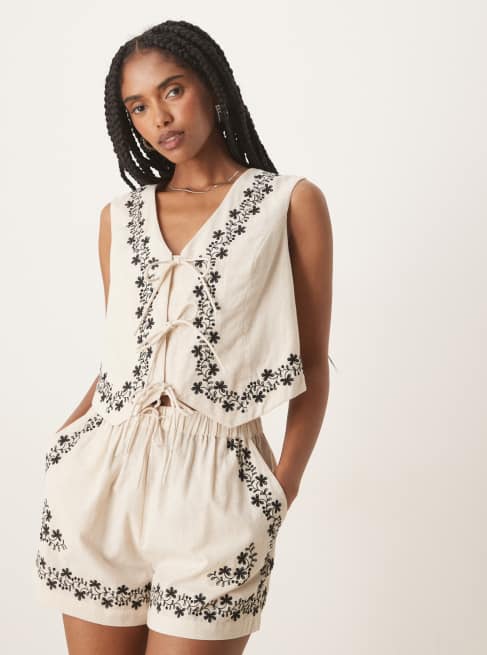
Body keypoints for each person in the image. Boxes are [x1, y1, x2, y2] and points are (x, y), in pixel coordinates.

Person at [33, 19, 334, 655]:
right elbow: (124, 352)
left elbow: (310, 362)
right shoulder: (119, 218)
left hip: (218, 489)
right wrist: (65, 443)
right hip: (99, 486)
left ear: (211, 85)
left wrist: (281, 490)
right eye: (138, 106)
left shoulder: (289, 203)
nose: (159, 118)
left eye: (172, 90)